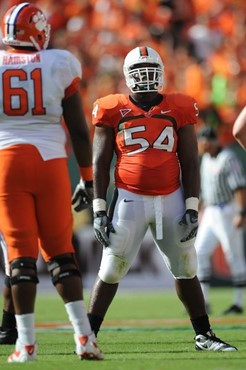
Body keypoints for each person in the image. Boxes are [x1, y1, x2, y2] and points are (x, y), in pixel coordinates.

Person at [86, 45, 237, 351]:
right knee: (111, 268)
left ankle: (203, 335)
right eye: (139, 73)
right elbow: (101, 163)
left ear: (162, 74)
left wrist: (192, 206)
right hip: (129, 197)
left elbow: (190, 161)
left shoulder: (178, 107)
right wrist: (100, 210)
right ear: (127, 77)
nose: (145, 79)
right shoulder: (112, 108)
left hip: (171, 197)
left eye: (151, 72)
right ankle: (87, 336)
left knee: (186, 267)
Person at [0, 2, 103, 362]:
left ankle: (25, 345)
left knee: (19, 256)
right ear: (38, 30)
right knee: (61, 252)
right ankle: (84, 338)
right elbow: (78, 130)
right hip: (50, 162)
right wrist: (88, 180)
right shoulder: (59, 61)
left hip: (7, 162)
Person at [195, 126, 246, 314]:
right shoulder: (206, 159)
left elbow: (239, 186)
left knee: (233, 255)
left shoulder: (228, 157)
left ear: (209, 141)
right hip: (211, 210)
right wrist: (202, 209)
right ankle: (204, 300)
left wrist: (241, 212)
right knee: (199, 252)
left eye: (202, 141)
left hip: (227, 209)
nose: (200, 146)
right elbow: (206, 189)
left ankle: (238, 302)